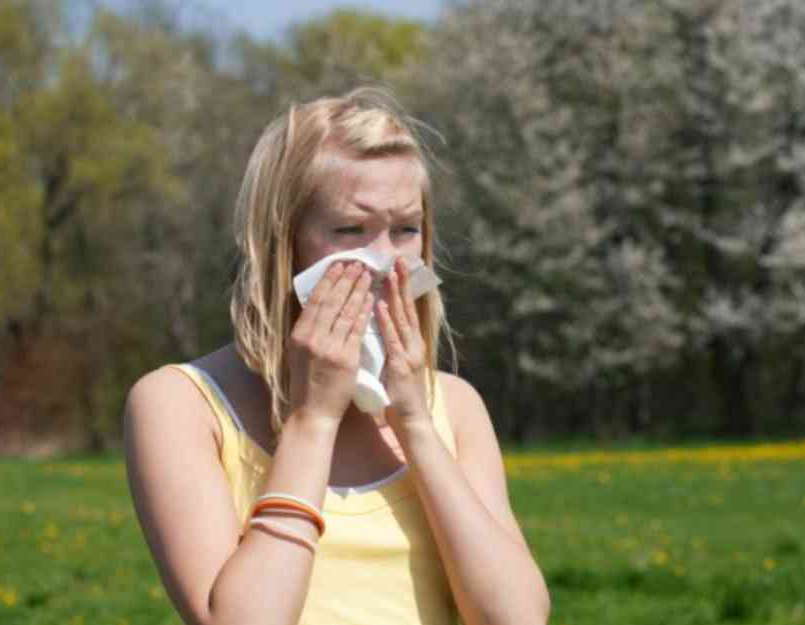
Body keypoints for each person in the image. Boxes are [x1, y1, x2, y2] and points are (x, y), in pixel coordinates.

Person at [123, 88, 550, 625]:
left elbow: (515, 618)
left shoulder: (455, 406)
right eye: (351, 230)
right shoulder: (179, 404)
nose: (383, 261)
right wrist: (313, 419)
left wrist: (415, 423)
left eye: (405, 231)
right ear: (281, 241)